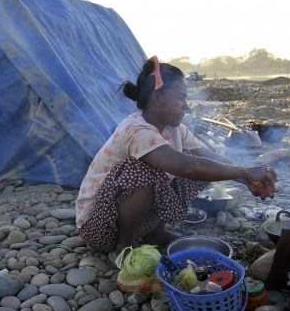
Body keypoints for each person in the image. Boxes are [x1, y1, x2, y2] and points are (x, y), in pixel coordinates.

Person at [75, 56, 277, 260]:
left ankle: (154, 232)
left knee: (194, 161)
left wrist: (247, 178)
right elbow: (188, 167)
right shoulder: (136, 131)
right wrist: (245, 171)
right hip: (100, 228)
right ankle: (124, 247)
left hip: (136, 223)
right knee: (150, 167)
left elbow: (208, 157)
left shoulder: (176, 129)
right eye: (181, 97)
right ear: (156, 97)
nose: (186, 106)